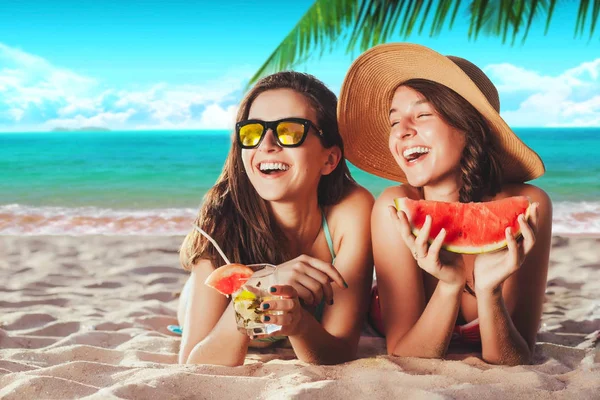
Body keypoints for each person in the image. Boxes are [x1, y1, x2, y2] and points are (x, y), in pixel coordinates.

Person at [337, 43, 552, 366]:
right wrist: (449, 286)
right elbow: (405, 351)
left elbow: (513, 358)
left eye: (422, 115)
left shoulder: (527, 206)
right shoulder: (395, 207)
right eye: (394, 122)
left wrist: (490, 293)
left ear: (468, 127)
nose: (402, 132)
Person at [176, 71, 374, 366]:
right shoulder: (221, 218)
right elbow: (194, 363)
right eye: (252, 132)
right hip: (212, 316)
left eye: (291, 131)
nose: (266, 144)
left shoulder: (352, 209)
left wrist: (299, 326)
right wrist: (257, 290)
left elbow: (341, 351)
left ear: (329, 159)